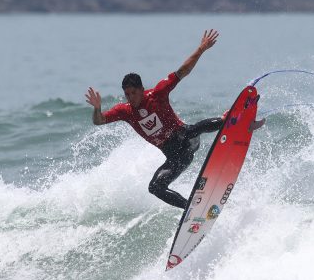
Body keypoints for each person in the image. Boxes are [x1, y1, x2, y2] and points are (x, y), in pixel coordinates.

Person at [84, 29, 224, 210]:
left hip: (188, 140)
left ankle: (227, 120)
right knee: (155, 188)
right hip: (176, 157)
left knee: (187, 132)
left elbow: (182, 71)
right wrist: (97, 108)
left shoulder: (157, 94)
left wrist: (202, 48)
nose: (130, 98)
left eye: (133, 93)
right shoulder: (125, 111)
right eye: (127, 94)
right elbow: (99, 121)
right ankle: (191, 209)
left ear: (142, 89)